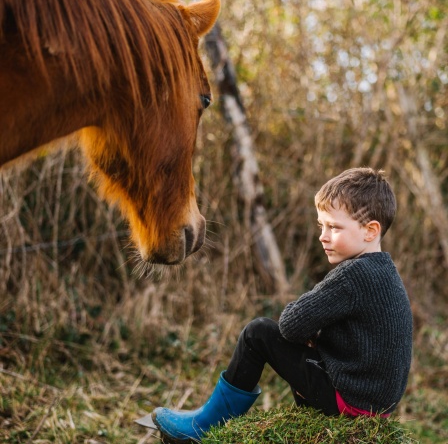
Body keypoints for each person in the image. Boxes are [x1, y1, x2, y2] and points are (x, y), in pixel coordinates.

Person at [135, 167, 413, 442]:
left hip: (348, 402)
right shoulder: (385, 272)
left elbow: (291, 325)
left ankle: (205, 425)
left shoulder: (354, 274)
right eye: (322, 225)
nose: (323, 236)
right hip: (372, 405)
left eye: (334, 227)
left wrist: (309, 333)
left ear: (370, 230)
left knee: (258, 333)